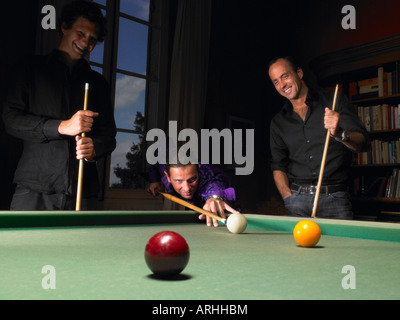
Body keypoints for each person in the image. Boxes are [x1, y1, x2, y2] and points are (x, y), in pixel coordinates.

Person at [2, 0, 116, 210]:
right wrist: (62, 126)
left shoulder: (98, 83)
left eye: (92, 39)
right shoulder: (30, 68)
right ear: (64, 27)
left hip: (84, 193)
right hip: (34, 190)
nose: (85, 42)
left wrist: (94, 148)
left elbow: (109, 137)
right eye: (80, 32)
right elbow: (10, 119)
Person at [268, 56, 370, 219]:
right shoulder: (278, 122)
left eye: (285, 76)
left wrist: (339, 133)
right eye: (275, 81)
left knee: (341, 246)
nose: (282, 85)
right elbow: (278, 166)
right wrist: (288, 198)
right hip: (296, 202)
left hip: (334, 200)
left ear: (299, 73)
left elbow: (362, 143)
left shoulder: (334, 101)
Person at [147, 162, 240, 227]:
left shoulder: (208, 175)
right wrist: (153, 180)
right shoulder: (164, 169)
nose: (187, 188)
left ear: (198, 170)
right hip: (196, 205)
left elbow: (214, 187)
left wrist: (215, 197)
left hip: (225, 206)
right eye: (178, 181)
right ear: (168, 177)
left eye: (192, 179)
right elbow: (155, 165)